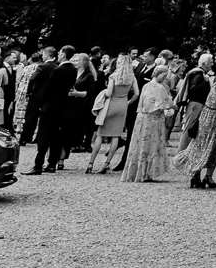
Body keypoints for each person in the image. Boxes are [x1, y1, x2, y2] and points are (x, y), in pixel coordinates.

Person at [175, 66, 216, 189]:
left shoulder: (215, 86)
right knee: (214, 148)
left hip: (205, 116)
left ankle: (195, 174)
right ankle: (209, 176)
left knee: (199, 145)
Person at [30, 47, 79, 175]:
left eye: (60, 52)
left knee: (43, 135)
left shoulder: (58, 70)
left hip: (50, 106)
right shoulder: (74, 70)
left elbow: (49, 89)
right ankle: (52, 163)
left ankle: (38, 165)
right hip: (63, 106)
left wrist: (42, 105)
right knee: (56, 136)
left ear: (63, 54)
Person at [121, 67, 174, 183]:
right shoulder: (160, 88)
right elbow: (163, 107)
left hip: (142, 118)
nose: (165, 78)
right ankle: (147, 172)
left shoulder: (146, 85)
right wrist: (171, 109)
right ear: (160, 75)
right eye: (165, 76)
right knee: (151, 145)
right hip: (154, 120)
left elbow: (143, 104)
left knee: (140, 144)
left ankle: (138, 171)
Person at [85, 55, 137, 173]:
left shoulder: (113, 76)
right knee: (116, 136)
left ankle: (90, 164)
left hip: (111, 104)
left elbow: (108, 93)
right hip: (123, 105)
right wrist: (128, 102)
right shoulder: (131, 77)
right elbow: (137, 93)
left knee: (100, 134)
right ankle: (106, 164)